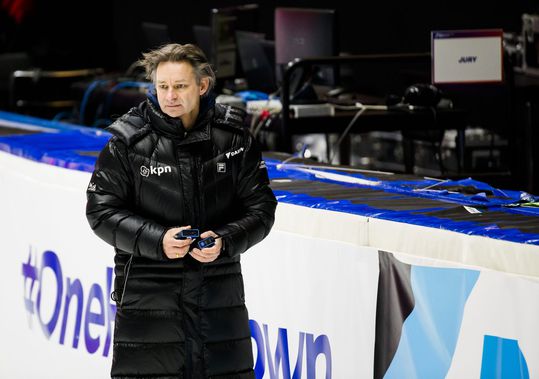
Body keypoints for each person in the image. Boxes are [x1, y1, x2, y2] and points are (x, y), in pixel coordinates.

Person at [86, 43, 277, 379]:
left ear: (202, 86)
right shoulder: (127, 142)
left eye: (180, 86)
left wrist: (226, 239)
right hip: (148, 303)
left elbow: (261, 208)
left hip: (218, 300)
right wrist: (158, 240)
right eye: (163, 87)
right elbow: (101, 211)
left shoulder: (234, 138)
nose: (170, 96)